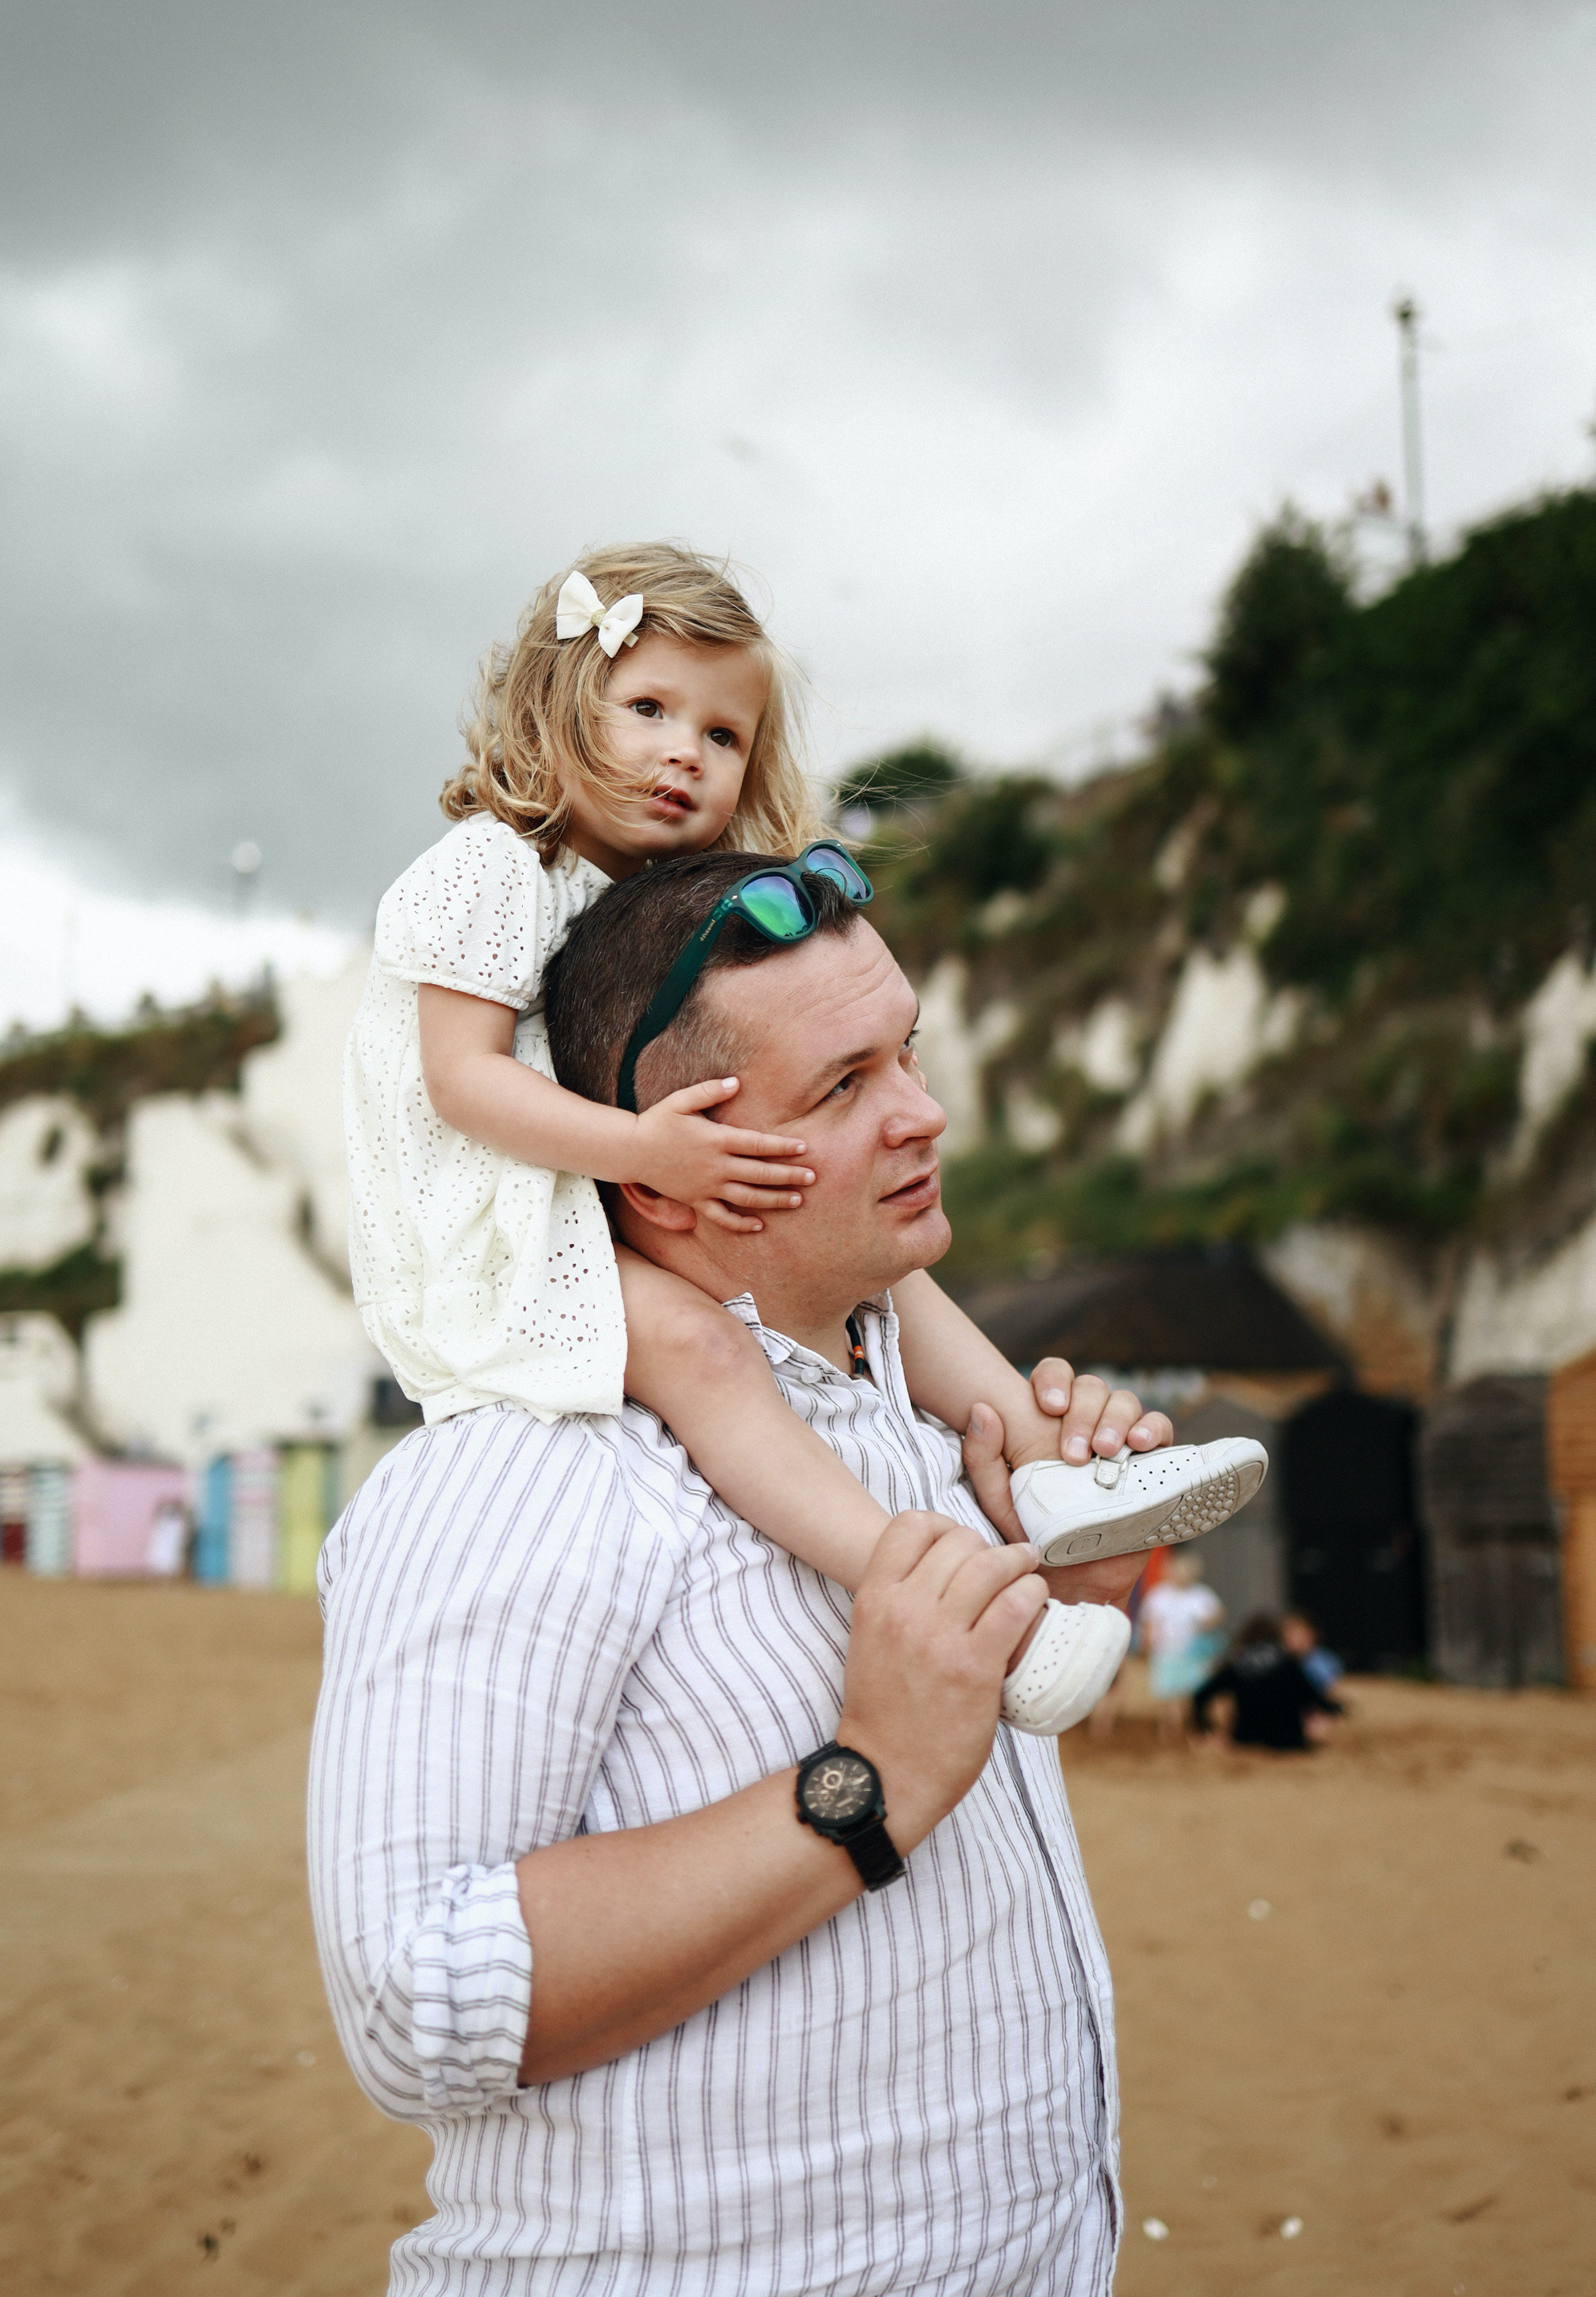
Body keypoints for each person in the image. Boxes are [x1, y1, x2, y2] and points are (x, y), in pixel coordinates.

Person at [311, 853, 1177, 2292]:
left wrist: (1062, 1586)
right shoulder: (523, 1473)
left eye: (907, 1052)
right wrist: (862, 1784)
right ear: (659, 1169)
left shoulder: (918, 1423)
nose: (923, 1114)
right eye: (842, 1090)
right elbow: (411, 2004)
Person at [342, 541, 1262, 1735]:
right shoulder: (491, 872)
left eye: (723, 736)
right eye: (648, 709)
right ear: (560, 709)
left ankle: (1048, 1464)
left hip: (591, 1174)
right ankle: (921, 1580)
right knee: (702, 1353)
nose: (686, 751)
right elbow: (461, 1086)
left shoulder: (639, 895)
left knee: (885, 1269)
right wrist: (649, 1157)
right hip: (488, 1225)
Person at [1192, 1613, 1345, 1752]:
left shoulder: (1238, 1665)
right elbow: (1312, 1698)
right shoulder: (1289, 1663)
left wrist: (1207, 1729)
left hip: (1246, 1741)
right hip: (1289, 1743)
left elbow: (1200, 1696)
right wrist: (1337, 1709)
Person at [1139, 1549, 1225, 1742]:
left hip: (1192, 1654)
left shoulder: (1201, 1595)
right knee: (1165, 1693)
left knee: (1189, 1693)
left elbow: (1217, 1615)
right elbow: (1149, 1623)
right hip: (1165, 1651)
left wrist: (1206, 1625)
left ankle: (1187, 1729)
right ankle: (1167, 1730)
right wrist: (1147, 1645)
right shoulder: (1158, 1595)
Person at [1282, 1607, 1345, 1696]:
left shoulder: (1321, 1661)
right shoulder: (1291, 1662)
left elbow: (1332, 1690)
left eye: (1295, 1632)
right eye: (1286, 1633)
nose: (1289, 1638)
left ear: (1311, 1633)